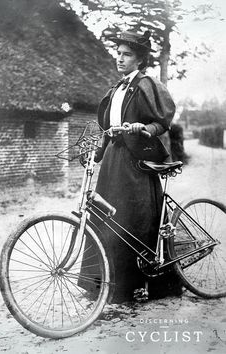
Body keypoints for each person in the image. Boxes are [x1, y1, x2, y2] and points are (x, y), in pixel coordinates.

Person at [81, 30, 178, 303]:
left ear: (140, 60)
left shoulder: (148, 85)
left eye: (127, 55)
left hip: (135, 164)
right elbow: (107, 129)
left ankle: (135, 284)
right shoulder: (115, 90)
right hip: (112, 161)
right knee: (104, 218)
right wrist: (95, 154)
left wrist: (144, 128)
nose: (120, 59)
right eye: (119, 53)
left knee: (133, 221)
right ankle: (106, 285)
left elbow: (162, 123)